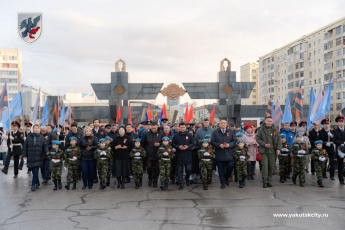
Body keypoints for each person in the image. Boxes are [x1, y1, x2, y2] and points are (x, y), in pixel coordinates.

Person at [211, 118, 237, 189]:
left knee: (230, 166)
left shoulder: (231, 132)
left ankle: (226, 178)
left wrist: (229, 145)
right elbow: (212, 142)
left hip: (229, 153)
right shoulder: (215, 132)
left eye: (224, 123)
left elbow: (234, 141)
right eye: (221, 123)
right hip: (219, 152)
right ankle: (222, 182)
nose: (223, 124)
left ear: (226, 124)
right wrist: (219, 145)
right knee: (220, 169)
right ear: (219, 124)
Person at [256, 116, 282, 188]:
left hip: (272, 151)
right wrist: (264, 144)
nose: (270, 122)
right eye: (268, 121)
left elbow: (279, 140)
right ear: (265, 122)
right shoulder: (261, 130)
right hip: (264, 151)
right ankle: (264, 181)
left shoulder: (275, 130)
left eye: (271, 121)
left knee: (271, 166)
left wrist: (278, 149)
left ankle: (269, 181)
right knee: (265, 166)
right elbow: (257, 139)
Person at [22, 124, 49, 191]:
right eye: (35, 128)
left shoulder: (41, 137)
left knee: (36, 171)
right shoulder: (28, 137)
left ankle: (33, 185)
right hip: (30, 157)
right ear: (32, 129)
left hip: (38, 157)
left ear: (39, 129)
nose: (36, 129)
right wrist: (24, 155)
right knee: (34, 171)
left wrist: (47, 151)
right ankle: (37, 182)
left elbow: (45, 146)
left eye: (37, 128)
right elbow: (25, 147)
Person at [171, 122, 194, 190]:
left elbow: (192, 143)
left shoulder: (189, 135)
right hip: (179, 155)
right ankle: (181, 183)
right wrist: (178, 147)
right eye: (181, 127)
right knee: (179, 171)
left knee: (188, 169)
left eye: (183, 127)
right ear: (179, 127)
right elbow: (173, 144)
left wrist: (187, 146)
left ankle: (186, 179)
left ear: (185, 128)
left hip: (187, 155)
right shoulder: (175, 135)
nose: (182, 128)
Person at [141, 122, 163, 188]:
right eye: (152, 128)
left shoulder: (161, 133)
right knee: (149, 167)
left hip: (158, 154)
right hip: (149, 154)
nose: (153, 129)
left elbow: (165, 142)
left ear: (157, 127)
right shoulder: (147, 134)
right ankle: (150, 178)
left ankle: (155, 181)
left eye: (155, 128)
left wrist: (159, 144)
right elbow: (143, 143)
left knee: (157, 169)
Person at [332, 115, 345, 185]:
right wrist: (342, 143)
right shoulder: (335, 131)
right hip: (340, 150)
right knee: (340, 166)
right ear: (337, 123)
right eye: (340, 122)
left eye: (342, 121)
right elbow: (334, 140)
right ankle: (341, 179)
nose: (341, 123)